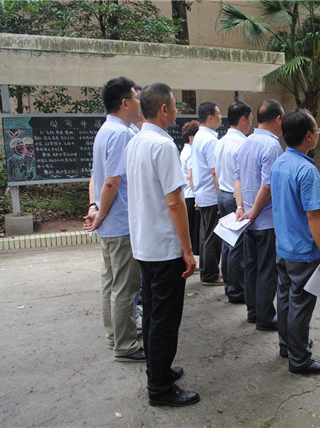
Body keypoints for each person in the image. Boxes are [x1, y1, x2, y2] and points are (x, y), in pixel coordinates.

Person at [125, 82, 199, 407]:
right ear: (164, 109)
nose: (176, 112)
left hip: (144, 245)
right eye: (174, 106)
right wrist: (188, 250)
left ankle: (159, 371)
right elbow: (175, 202)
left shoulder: (135, 141)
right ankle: (160, 388)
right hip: (165, 249)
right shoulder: (163, 145)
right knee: (165, 320)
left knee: (154, 316)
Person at [83, 76, 143, 362]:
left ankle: (115, 336)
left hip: (110, 223)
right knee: (125, 287)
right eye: (136, 98)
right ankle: (126, 345)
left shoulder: (106, 130)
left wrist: (97, 211)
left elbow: (98, 177)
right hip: (119, 222)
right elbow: (111, 181)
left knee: (111, 283)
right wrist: (102, 213)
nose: (139, 103)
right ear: (125, 103)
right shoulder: (120, 134)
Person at [271, 108, 320, 374]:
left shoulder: (280, 163)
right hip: (303, 250)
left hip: (284, 246)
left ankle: (287, 346)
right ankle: (300, 359)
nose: (318, 133)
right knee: (300, 304)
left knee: (286, 299)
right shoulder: (306, 170)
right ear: (309, 136)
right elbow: (313, 215)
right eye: (316, 129)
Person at [234, 99, 284, 331]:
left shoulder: (246, 142)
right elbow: (268, 185)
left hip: (247, 219)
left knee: (252, 267)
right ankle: (265, 317)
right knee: (266, 270)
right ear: (278, 119)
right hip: (264, 220)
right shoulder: (272, 146)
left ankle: (253, 312)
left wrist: (241, 207)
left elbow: (238, 178)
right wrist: (254, 212)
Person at [214, 101, 252, 304]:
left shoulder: (220, 141)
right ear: (243, 119)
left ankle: (230, 285)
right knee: (237, 245)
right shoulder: (242, 143)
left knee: (228, 242)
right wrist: (241, 204)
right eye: (250, 119)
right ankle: (236, 291)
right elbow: (243, 177)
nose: (251, 123)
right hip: (235, 197)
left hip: (223, 193)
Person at [191, 102, 224, 286]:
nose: (221, 117)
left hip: (203, 192)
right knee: (213, 236)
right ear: (210, 117)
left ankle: (206, 271)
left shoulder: (199, 136)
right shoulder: (210, 140)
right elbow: (214, 171)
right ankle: (210, 274)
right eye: (218, 113)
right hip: (211, 194)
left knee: (206, 235)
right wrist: (220, 196)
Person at [180, 120, 201, 257]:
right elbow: (191, 175)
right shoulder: (191, 152)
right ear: (191, 137)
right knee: (195, 231)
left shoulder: (184, 151)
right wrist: (197, 195)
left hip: (187, 194)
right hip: (192, 195)